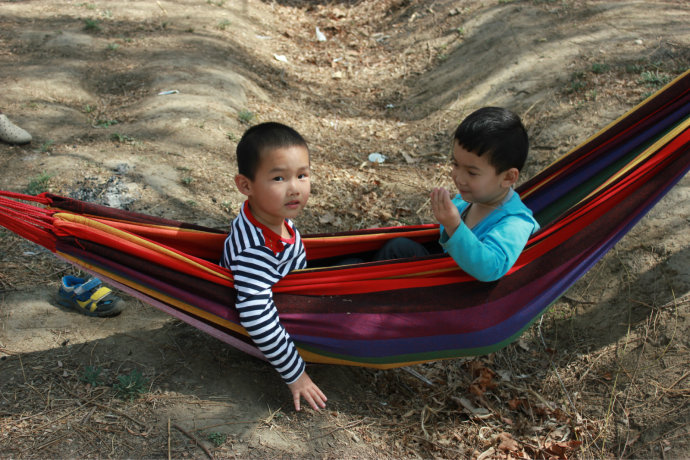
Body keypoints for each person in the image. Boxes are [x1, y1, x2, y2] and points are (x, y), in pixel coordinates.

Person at [220, 122, 327, 412]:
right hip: (283, 320)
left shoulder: (270, 217)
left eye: (302, 175)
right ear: (245, 185)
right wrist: (296, 375)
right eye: (279, 178)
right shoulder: (255, 250)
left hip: (295, 292)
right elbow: (256, 315)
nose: (295, 188)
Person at [367, 107, 540, 282]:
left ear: (508, 177)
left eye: (472, 173)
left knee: (399, 249)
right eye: (456, 164)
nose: (458, 177)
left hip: (463, 295)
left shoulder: (516, 222)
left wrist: (454, 226)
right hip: (443, 276)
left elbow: (490, 267)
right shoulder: (468, 202)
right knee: (356, 259)